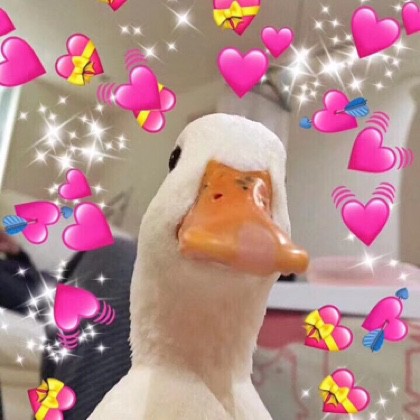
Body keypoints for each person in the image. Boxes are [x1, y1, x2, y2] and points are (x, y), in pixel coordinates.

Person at [0, 231, 137, 419]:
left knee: (114, 250)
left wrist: (16, 253)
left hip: (61, 287)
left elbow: (30, 277)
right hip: (58, 299)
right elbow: (28, 296)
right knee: (115, 251)